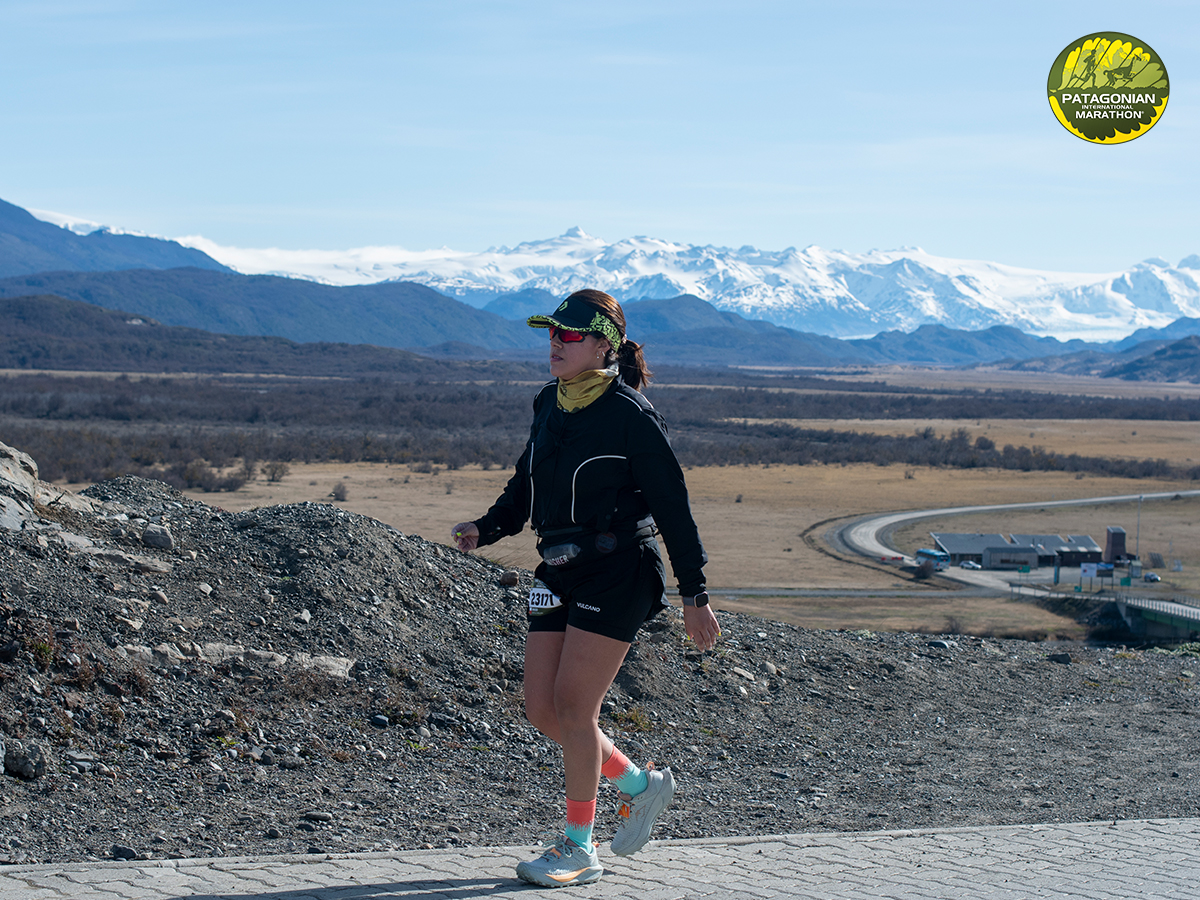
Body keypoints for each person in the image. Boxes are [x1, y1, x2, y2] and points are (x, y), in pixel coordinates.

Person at [452, 289, 720, 888]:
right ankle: (639, 786)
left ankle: (579, 847)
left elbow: (673, 509)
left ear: (605, 345)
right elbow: (526, 483)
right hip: (558, 569)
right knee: (543, 710)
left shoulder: (631, 415)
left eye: (568, 335)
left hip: (619, 569)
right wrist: (486, 527)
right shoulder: (549, 401)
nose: (555, 343)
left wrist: (694, 594)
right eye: (551, 333)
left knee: (576, 708)